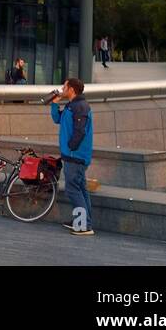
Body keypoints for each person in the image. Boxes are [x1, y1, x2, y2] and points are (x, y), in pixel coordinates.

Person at [49, 77, 95, 236]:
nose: (62, 89)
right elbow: (57, 119)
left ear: (72, 89)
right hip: (72, 155)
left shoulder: (80, 106)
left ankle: (83, 226)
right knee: (80, 188)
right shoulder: (72, 106)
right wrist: (54, 103)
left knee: (73, 189)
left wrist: (71, 147)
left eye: (65, 86)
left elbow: (80, 131)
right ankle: (82, 221)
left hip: (75, 156)